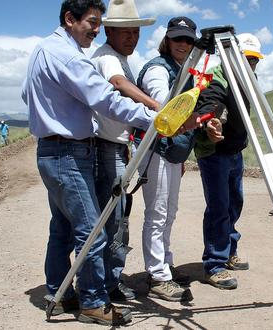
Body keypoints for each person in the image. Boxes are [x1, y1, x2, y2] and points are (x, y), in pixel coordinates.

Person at [21, 0, 159, 326]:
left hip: (53, 151)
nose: (96, 31)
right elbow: (107, 99)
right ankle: (94, 303)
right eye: (92, 23)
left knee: (63, 228)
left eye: (99, 24)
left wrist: (55, 112)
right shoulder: (67, 57)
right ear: (70, 19)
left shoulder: (42, 50)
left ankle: (60, 289)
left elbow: (27, 95)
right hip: (68, 153)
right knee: (92, 231)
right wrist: (154, 118)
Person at [90, 0, 156, 304]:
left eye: (135, 32)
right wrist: (157, 107)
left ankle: (109, 280)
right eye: (125, 32)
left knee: (118, 215)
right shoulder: (108, 59)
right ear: (109, 31)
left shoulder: (117, 56)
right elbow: (118, 84)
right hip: (106, 147)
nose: (131, 38)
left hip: (117, 145)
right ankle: (108, 284)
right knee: (114, 218)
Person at [192, 33, 264, 290]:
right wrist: (213, 123)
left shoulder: (249, 78)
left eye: (255, 60)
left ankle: (229, 249)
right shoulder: (216, 76)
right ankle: (214, 264)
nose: (251, 64)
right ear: (232, 55)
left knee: (235, 203)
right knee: (219, 207)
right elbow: (211, 104)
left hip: (235, 149)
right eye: (247, 59)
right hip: (213, 151)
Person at [135, 16, 197, 301]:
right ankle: (158, 276)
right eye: (177, 38)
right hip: (156, 150)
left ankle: (165, 266)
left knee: (169, 212)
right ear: (167, 40)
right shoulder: (158, 69)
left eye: (188, 39)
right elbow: (163, 104)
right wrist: (197, 119)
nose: (183, 44)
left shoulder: (183, 70)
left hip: (173, 152)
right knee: (157, 213)